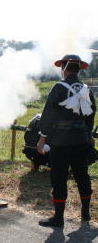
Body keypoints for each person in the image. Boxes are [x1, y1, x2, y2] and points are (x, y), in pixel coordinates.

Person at [37, 54, 96, 227]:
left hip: (61, 143)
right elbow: (91, 114)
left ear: (64, 67)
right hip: (81, 141)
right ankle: (85, 213)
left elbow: (48, 116)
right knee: (82, 176)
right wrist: (88, 135)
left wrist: (42, 140)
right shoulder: (86, 89)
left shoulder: (59, 87)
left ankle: (58, 218)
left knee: (59, 178)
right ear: (78, 68)